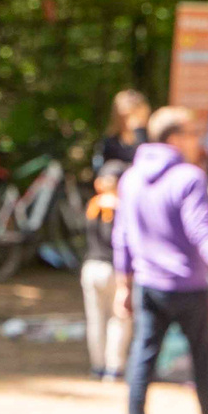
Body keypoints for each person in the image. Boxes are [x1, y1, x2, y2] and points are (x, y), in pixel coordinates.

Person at [112, 106, 208, 414]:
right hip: (189, 287)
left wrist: (123, 285)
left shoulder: (131, 178)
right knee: (204, 366)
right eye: (192, 132)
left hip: (147, 286)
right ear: (174, 138)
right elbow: (204, 234)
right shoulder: (189, 178)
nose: (198, 139)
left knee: (141, 362)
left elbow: (121, 236)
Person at [81, 160, 132, 381]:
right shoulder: (121, 206)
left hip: (90, 267)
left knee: (95, 320)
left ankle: (98, 366)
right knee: (118, 319)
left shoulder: (93, 204)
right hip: (113, 269)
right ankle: (114, 367)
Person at [98, 88, 151, 173]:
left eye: (136, 114)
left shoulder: (152, 140)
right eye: (126, 116)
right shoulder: (111, 142)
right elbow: (103, 171)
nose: (132, 120)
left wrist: (139, 132)